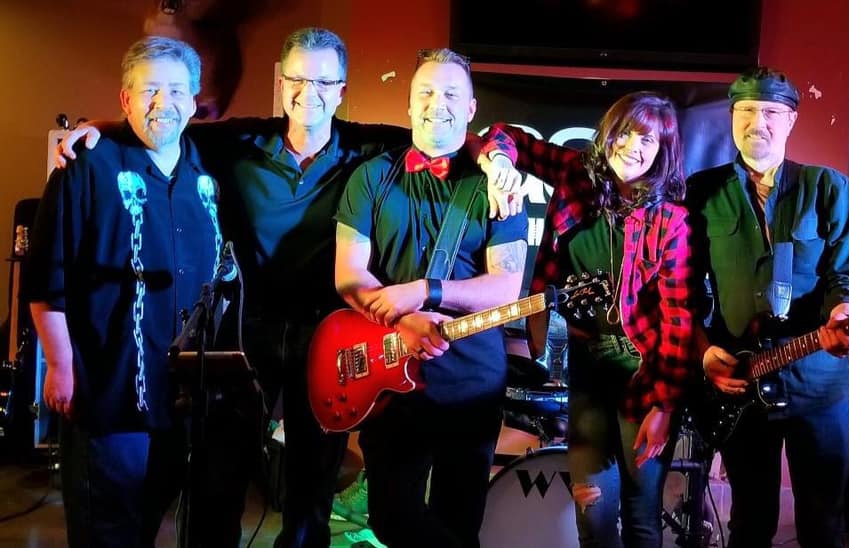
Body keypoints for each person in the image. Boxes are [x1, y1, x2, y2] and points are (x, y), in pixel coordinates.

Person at [55, 28, 519, 547]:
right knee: (217, 481)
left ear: (341, 90)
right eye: (296, 79)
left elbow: (451, 132)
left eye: (323, 81)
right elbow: (168, 123)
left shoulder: (368, 149)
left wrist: (497, 157)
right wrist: (97, 128)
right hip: (244, 337)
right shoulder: (241, 141)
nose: (307, 92)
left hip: (329, 338)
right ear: (280, 83)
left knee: (309, 493)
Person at [23, 36, 220, 547]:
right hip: (107, 392)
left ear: (193, 101)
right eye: (149, 89)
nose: (163, 102)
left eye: (176, 90)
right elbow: (45, 277)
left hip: (181, 400)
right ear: (125, 99)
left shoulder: (208, 172)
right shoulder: (85, 168)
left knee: (150, 519)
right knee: (106, 530)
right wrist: (60, 364)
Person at [481, 91, 695, 548]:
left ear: (662, 152)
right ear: (609, 133)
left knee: (641, 516)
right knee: (592, 513)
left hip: (645, 372)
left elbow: (679, 321)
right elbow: (504, 134)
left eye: (648, 141)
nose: (633, 147)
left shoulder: (670, 220)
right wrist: (498, 163)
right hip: (588, 366)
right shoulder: (575, 174)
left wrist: (664, 406)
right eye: (626, 133)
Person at [334, 48, 528, 548]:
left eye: (450, 94)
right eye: (425, 91)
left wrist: (426, 291)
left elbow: (506, 288)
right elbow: (349, 274)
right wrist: (401, 320)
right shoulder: (371, 176)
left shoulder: (499, 187)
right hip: (390, 377)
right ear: (408, 102)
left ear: (471, 109)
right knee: (390, 518)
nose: (435, 103)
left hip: (471, 384)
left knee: (459, 520)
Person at [685, 67, 849, 548]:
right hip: (741, 384)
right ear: (732, 118)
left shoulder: (829, 187)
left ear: (791, 121)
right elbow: (682, 291)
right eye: (746, 111)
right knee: (749, 525)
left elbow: (848, 276)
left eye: (771, 112)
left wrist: (843, 312)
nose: (757, 123)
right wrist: (704, 353)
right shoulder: (700, 192)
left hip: (817, 384)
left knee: (823, 526)